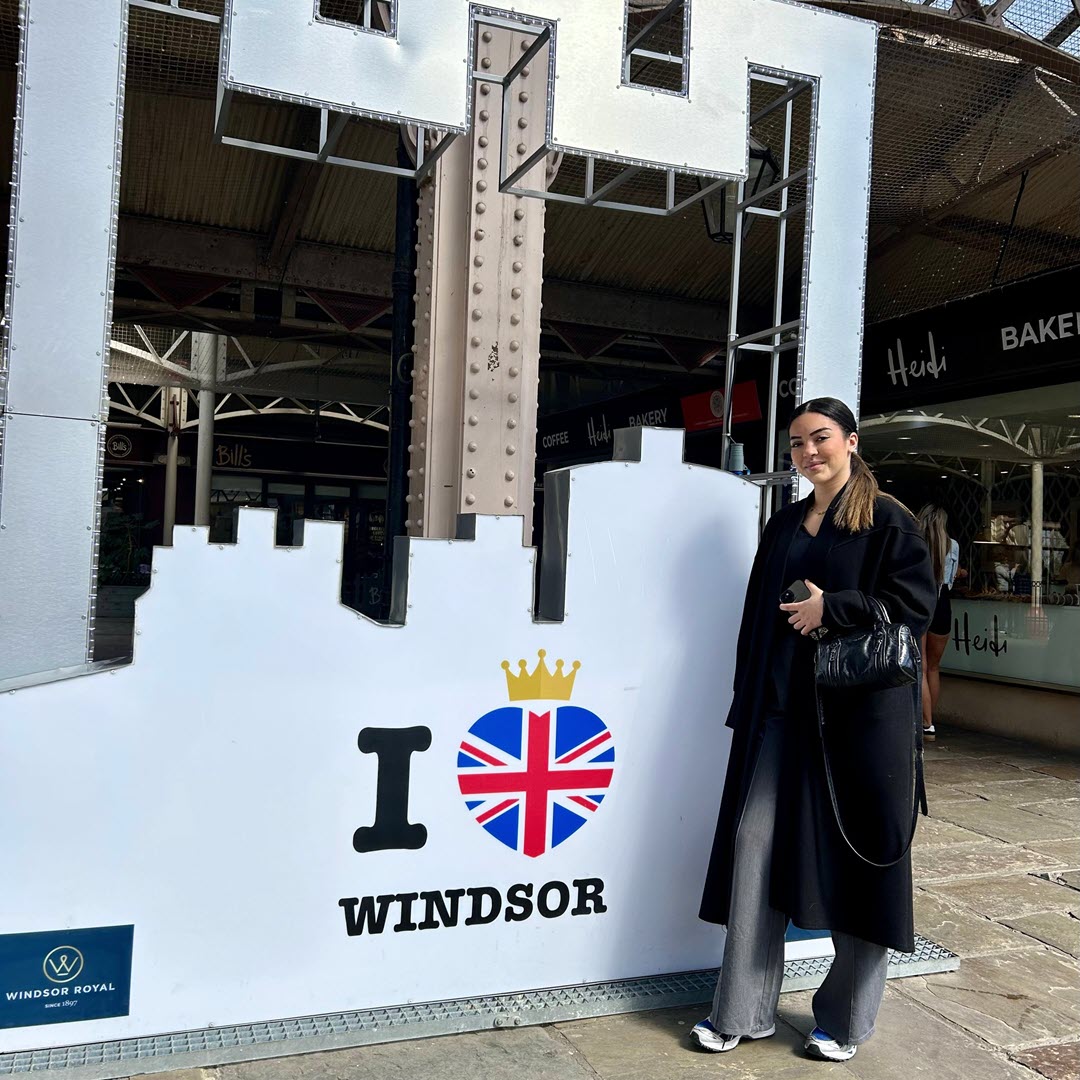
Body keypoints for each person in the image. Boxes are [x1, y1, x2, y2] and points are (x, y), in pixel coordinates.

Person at [693, 397, 936, 1063]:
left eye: (820, 438)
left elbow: (914, 611)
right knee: (754, 845)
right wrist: (748, 698)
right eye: (797, 443)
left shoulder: (890, 522)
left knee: (864, 860)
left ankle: (847, 1020)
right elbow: (758, 618)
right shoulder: (785, 524)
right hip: (782, 713)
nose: (808, 453)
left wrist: (837, 607)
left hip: (862, 725)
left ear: (851, 440)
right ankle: (742, 1009)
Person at [916, 504, 959, 741]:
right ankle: (931, 720)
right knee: (934, 667)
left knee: (920, 667)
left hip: (922, 603)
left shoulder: (915, 543)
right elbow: (950, 581)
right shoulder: (953, 546)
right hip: (943, 606)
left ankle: (926, 722)